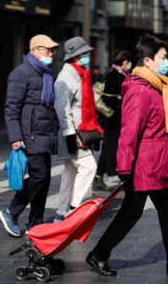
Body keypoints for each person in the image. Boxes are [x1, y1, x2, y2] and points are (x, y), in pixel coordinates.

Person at [86, 36, 168, 277]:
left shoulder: (157, 86)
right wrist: (124, 167)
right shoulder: (140, 90)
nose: (166, 62)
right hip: (144, 163)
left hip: (156, 159)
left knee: (167, 209)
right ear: (147, 61)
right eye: (162, 58)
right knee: (132, 211)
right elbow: (129, 131)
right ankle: (98, 254)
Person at [0, 34, 60, 236]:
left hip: (45, 134)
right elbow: (11, 108)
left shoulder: (46, 74)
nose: (50, 54)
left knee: (43, 179)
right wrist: (15, 137)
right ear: (34, 50)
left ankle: (35, 222)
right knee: (39, 177)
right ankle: (13, 212)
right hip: (30, 135)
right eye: (46, 50)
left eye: (52, 50)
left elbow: (49, 107)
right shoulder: (21, 73)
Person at [53, 37, 100, 223]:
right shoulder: (66, 76)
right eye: (84, 54)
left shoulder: (81, 74)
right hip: (73, 134)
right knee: (89, 167)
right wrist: (71, 136)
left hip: (81, 132)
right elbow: (61, 108)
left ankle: (60, 213)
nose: (87, 56)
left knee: (70, 174)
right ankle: (73, 210)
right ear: (76, 56)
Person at [93, 51, 132, 191]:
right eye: (129, 62)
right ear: (125, 62)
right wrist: (121, 107)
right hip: (113, 120)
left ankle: (99, 176)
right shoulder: (115, 75)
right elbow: (109, 98)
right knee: (111, 148)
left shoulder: (120, 74)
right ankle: (107, 176)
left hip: (116, 120)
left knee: (110, 148)